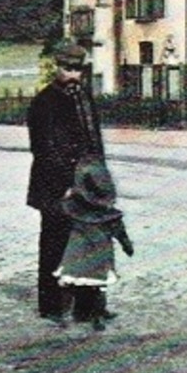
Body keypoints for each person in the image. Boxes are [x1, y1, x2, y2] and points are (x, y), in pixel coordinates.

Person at [25, 45, 104, 326]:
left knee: (90, 244)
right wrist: (66, 186)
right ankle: (52, 306)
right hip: (56, 188)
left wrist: (99, 182)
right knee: (55, 245)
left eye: (77, 69)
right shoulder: (44, 102)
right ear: (57, 67)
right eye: (67, 69)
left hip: (88, 186)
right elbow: (44, 149)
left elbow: (95, 142)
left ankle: (89, 306)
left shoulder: (84, 98)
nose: (73, 75)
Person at [55, 153, 135, 331]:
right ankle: (97, 315)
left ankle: (67, 314)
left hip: (75, 255)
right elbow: (120, 233)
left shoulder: (72, 209)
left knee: (71, 284)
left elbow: (61, 211)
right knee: (98, 287)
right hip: (99, 256)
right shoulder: (109, 216)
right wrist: (127, 245)